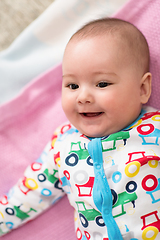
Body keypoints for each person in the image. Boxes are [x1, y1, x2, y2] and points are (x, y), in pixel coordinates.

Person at [0, 18, 160, 240]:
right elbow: (32, 192)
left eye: (102, 84)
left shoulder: (155, 130)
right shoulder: (63, 144)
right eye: (72, 85)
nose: (83, 97)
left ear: (142, 89)